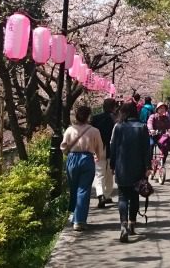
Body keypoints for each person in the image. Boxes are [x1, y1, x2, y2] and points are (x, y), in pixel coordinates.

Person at [110, 101, 151, 242]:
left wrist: (112, 165)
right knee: (134, 196)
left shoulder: (118, 127)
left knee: (122, 197)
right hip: (138, 167)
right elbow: (147, 149)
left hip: (121, 166)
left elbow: (113, 147)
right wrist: (148, 167)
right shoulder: (142, 127)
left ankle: (123, 225)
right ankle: (132, 224)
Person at [61, 105, 106, 232]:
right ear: (88, 116)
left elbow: (63, 147)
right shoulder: (94, 131)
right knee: (84, 190)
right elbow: (100, 149)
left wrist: (68, 153)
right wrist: (98, 156)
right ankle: (79, 220)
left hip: (72, 158)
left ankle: (73, 215)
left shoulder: (70, 130)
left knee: (74, 188)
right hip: (87, 159)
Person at [91, 98, 118, 208]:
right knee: (109, 172)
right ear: (114, 107)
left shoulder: (95, 118)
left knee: (99, 173)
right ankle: (107, 195)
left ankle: (100, 194)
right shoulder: (116, 119)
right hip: (112, 148)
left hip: (98, 147)